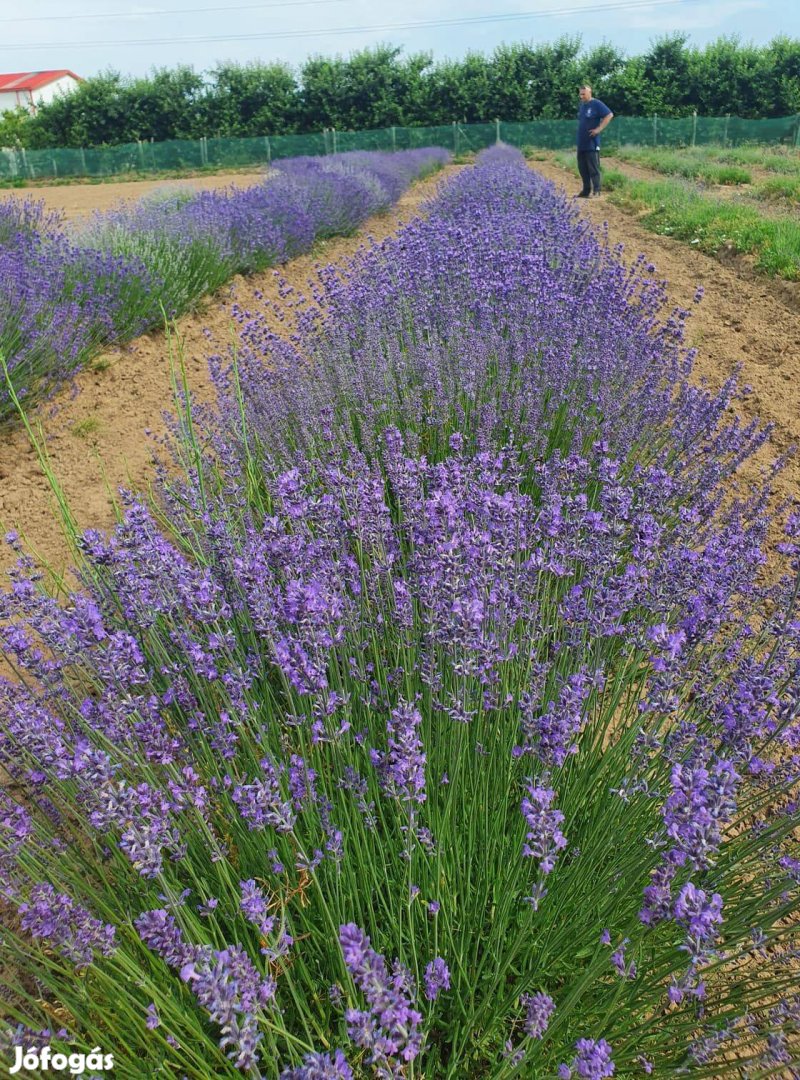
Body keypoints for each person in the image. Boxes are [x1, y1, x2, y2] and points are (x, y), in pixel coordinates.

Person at [576, 85, 613, 197]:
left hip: (592, 143)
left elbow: (609, 115)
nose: (581, 96)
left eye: (583, 94)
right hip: (581, 142)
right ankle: (586, 190)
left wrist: (599, 129)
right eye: (580, 94)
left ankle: (597, 190)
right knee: (582, 168)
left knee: (593, 168)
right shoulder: (582, 105)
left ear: (590, 93)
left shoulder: (597, 104)